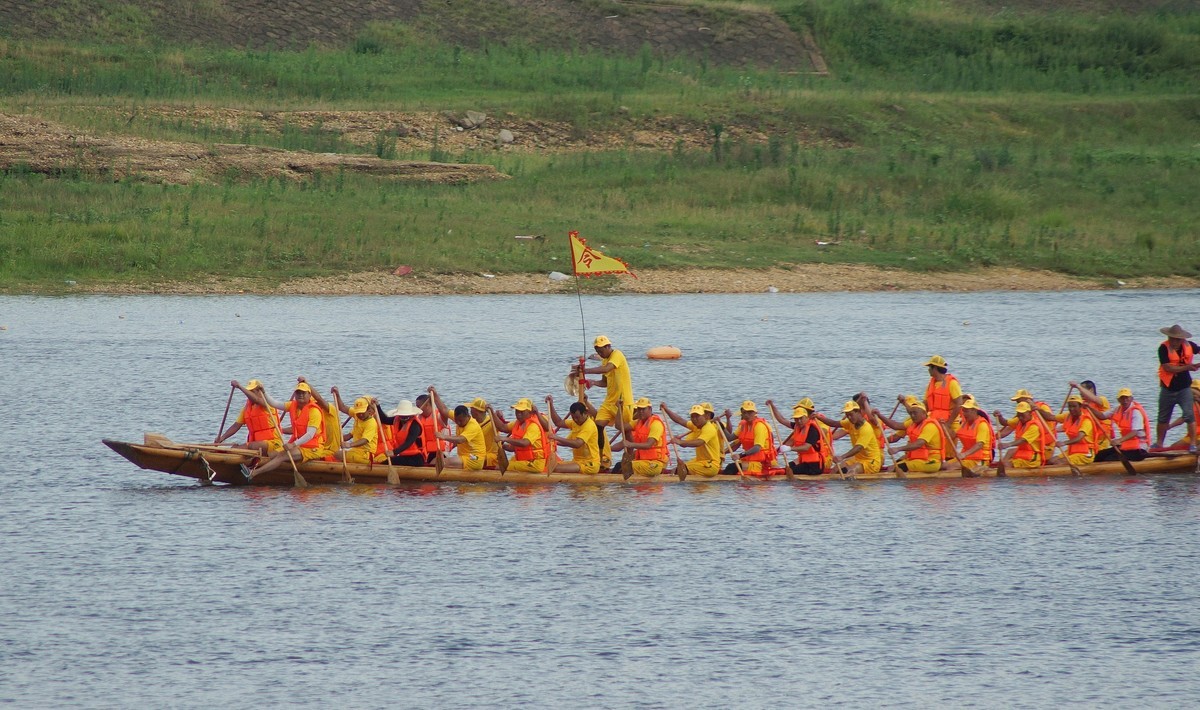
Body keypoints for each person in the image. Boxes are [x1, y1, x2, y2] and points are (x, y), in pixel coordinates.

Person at [242, 381, 328, 478]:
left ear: (309, 394)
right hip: (300, 445)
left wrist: (293, 444)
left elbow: (310, 435)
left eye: (303, 393)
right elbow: (274, 403)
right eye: (298, 393)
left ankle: (253, 474)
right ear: (294, 394)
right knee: (272, 454)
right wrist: (264, 392)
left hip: (313, 448)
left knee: (282, 455)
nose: (300, 395)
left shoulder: (314, 411)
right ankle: (272, 472)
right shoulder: (292, 405)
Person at [574, 335, 634, 471]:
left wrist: (586, 371)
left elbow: (607, 369)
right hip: (609, 402)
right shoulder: (604, 361)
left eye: (601, 350)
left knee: (626, 430)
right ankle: (601, 458)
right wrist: (593, 382)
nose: (600, 353)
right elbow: (605, 382)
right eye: (597, 350)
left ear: (608, 346)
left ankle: (631, 459)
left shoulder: (617, 355)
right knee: (598, 427)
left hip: (623, 401)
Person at [1155, 324, 1199, 452]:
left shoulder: (1190, 345)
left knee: (1189, 415)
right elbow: (1168, 368)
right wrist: (1188, 367)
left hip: (1184, 387)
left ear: (1181, 339)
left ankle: (1192, 444)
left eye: (1176, 339)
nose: (1173, 341)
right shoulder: (1163, 348)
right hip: (1167, 388)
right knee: (1163, 417)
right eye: (1171, 338)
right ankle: (1159, 444)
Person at [215, 379, 283, 455]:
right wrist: (222, 438)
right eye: (249, 391)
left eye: (252, 391)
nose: (249, 395)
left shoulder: (268, 403)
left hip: (274, 443)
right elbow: (236, 425)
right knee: (235, 449)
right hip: (255, 444)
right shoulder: (246, 409)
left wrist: (240, 387)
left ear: (259, 392)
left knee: (251, 446)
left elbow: (257, 400)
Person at [664, 402, 723, 478]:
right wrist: (666, 409)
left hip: (711, 464)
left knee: (680, 470)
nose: (694, 419)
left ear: (704, 416)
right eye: (692, 416)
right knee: (676, 469)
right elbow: (679, 420)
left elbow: (699, 442)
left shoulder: (709, 428)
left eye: (697, 416)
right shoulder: (695, 425)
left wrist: (680, 441)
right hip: (700, 461)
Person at [614, 398, 669, 477]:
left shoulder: (656, 424)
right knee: (619, 465)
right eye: (639, 409)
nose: (640, 412)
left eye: (643, 409)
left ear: (650, 409)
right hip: (644, 460)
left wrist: (630, 444)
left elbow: (648, 445)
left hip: (656, 463)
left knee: (622, 466)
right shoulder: (638, 422)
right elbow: (619, 426)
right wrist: (619, 409)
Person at [545, 395, 600, 474]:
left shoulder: (589, 426)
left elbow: (577, 444)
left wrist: (556, 437)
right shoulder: (574, 422)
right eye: (573, 418)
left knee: (556, 468)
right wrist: (551, 405)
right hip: (577, 461)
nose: (575, 420)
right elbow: (558, 422)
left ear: (585, 413)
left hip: (590, 464)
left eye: (577, 417)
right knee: (549, 465)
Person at [1093, 388, 1150, 462]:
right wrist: (1088, 407)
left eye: (1127, 398)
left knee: (1109, 459)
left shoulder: (1136, 412)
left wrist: (1118, 440)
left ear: (1131, 398)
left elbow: (1134, 432)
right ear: (1118, 400)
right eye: (1122, 398)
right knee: (1099, 455)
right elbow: (1102, 416)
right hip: (1126, 446)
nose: (1125, 401)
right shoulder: (1117, 409)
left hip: (1139, 448)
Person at [493, 398, 549, 473]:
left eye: (522, 412)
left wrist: (504, 439)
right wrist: (492, 412)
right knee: (498, 462)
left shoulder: (533, 426)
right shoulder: (518, 423)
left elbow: (525, 443)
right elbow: (502, 427)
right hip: (523, 460)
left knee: (499, 467)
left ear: (530, 412)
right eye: (517, 411)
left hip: (534, 463)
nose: (518, 414)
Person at [723, 401, 777, 477]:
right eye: (744, 413)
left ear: (755, 412)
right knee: (730, 468)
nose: (747, 415)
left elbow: (757, 448)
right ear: (741, 413)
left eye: (750, 412)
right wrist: (721, 425)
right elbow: (730, 438)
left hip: (762, 463)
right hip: (750, 460)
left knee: (731, 467)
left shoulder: (759, 426)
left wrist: (740, 455)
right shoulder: (743, 425)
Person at [887, 401, 943, 473]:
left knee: (898, 468)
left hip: (931, 461)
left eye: (915, 413)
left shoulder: (930, 426)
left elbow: (919, 444)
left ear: (924, 413)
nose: (912, 416)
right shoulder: (913, 424)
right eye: (911, 413)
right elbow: (895, 426)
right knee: (891, 467)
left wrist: (898, 449)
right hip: (917, 459)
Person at [830, 401, 883, 476]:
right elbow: (834, 423)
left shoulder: (866, 428)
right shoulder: (850, 423)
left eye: (851, 415)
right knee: (835, 469)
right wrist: (818, 417)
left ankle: (853, 486)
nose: (849, 418)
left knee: (851, 471)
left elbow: (858, 448)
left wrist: (842, 457)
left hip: (871, 462)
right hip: (857, 459)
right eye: (847, 415)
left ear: (858, 412)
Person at [333, 395, 387, 465]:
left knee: (338, 454)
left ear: (369, 410)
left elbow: (364, 440)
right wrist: (337, 395)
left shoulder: (371, 423)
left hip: (366, 454)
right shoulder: (357, 415)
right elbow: (342, 407)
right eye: (358, 412)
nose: (360, 415)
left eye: (362, 412)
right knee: (333, 452)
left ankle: (372, 462)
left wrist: (349, 445)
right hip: (356, 451)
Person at [779, 402, 827, 476]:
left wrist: (789, 448)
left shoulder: (812, 429)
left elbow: (806, 447)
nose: (799, 421)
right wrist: (772, 406)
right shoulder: (797, 426)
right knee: (785, 468)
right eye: (796, 419)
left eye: (801, 418)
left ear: (807, 417)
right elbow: (782, 420)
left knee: (787, 471)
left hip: (815, 465)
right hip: (804, 462)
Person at [946, 397, 993, 472]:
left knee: (951, 467)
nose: (964, 414)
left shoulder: (982, 425)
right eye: (963, 411)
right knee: (943, 465)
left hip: (980, 460)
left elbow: (979, 444)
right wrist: (945, 426)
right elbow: (953, 435)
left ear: (974, 411)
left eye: (966, 411)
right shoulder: (964, 423)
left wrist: (964, 454)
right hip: (966, 458)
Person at [435, 404, 487, 471]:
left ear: (468, 416)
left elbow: (461, 439)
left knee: (444, 462)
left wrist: (443, 436)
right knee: (435, 461)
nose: (459, 423)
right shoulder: (458, 418)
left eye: (461, 421)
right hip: (463, 457)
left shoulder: (473, 426)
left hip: (475, 459)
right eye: (457, 421)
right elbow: (443, 409)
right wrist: (434, 394)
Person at [1050, 394, 1097, 467]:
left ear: (1080, 407)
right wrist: (1037, 409)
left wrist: (1063, 443)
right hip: (1072, 451)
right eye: (1070, 406)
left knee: (1059, 462)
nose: (1071, 409)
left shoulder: (1086, 421)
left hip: (1085, 453)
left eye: (1074, 406)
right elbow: (1050, 417)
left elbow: (1079, 438)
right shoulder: (1067, 416)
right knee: (1051, 461)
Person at [917, 355, 964, 427]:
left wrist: (949, 423)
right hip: (933, 421)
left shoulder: (952, 383)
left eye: (930, 367)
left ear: (935, 368)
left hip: (950, 423)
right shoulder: (931, 384)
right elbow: (925, 404)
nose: (928, 369)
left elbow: (959, 404)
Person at [377, 399, 426, 466]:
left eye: (406, 416)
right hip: (403, 455)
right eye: (402, 416)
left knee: (388, 463)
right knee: (386, 462)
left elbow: (408, 442)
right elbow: (384, 419)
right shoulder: (397, 419)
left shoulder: (415, 425)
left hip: (416, 457)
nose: (403, 418)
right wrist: (377, 406)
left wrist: (394, 452)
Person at [995, 401, 1044, 469]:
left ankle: (1006, 470)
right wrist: (1000, 416)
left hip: (1032, 458)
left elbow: (1023, 440)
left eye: (1022, 414)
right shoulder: (1019, 420)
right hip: (1022, 453)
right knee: (1009, 453)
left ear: (1029, 413)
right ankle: (1003, 467)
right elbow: (1005, 422)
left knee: (1006, 463)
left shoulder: (1034, 426)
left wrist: (1008, 444)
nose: (1020, 417)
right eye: (1019, 414)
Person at [1164, 381, 1200, 449]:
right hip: (1193, 435)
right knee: (1173, 447)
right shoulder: (1191, 404)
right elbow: (1183, 418)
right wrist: (1169, 426)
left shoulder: (1196, 404)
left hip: (1197, 436)